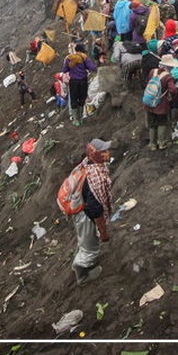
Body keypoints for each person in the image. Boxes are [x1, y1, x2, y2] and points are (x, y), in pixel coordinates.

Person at [70, 139, 114, 286]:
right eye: (104, 151)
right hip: (85, 214)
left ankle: (82, 259)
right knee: (90, 246)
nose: (108, 153)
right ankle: (82, 274)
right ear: (96, 154)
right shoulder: (96, 178)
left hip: (81, 208)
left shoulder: (88, 164)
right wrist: (103, 231)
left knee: (86, 240)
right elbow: (95, 209)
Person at [142, 55, 178, 150]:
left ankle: (152, 144)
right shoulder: (167, 77)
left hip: (149, 102)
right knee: (162, 123)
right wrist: (170, 97)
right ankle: (161, 143)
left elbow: (146, 83)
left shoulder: (152, 71)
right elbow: (173, 90)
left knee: (152, 123)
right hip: (161, 105)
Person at [64, 44, 97, 126]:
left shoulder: (69, 58)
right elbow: (92, 68)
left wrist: (72, 66)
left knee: (74, 99)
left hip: (74, 81)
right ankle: (81, 117)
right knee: (82, 98)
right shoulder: (84, 57)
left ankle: (76, 119)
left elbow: (64, 70)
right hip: (83, 80)